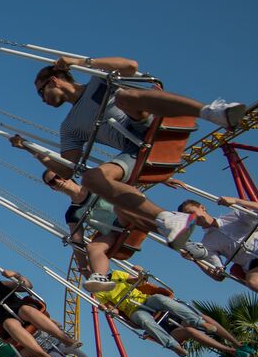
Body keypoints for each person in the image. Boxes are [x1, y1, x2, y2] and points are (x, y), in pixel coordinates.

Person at [15, 55, 248, 250]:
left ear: (54, 81)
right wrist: (30, 149)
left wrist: (81, 61)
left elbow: (131, 66)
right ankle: (166, 218)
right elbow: (67, 168)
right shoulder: (70, 126)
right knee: (92, 178)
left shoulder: (97, 81)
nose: (42, 99)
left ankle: (211, 111)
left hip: (146, 121)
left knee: (125, 96)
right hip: (135, 149)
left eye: (41, 92)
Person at [94, 267, 248, 357]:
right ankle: (174, 346)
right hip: (135, 311)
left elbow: (138, 281)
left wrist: (140, 274)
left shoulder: (117, 275)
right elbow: (113, 309)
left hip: (146, 301)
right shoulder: (99, 293)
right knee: (149, 321)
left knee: (163, 301)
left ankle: (232, 341)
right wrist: (109, 310)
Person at [42, 169, 132, 292]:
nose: (57, 181)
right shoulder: (72, 213)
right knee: (92, 248)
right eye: (52, 182)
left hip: (127, 215)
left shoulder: (92, 186)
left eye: (59, 175)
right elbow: (77, 241)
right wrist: (83, 267)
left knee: (122, 210)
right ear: (53, 188)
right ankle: (100, 277)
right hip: (115, 232)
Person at [175, 195, 258, 292]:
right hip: (254, 265)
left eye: (192, 213)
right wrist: (194, 259)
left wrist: (236, 201)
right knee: (252, 282)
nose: (193, 217)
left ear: (202, 208)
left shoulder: (235, 215)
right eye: (188, 217)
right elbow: (218, 276)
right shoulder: (206, 245)